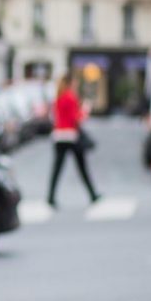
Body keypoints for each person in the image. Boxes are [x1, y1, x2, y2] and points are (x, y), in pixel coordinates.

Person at [47, 71, 101, 207]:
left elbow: (55, 117)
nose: (76, 84)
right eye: (75, 82)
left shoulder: (58, 97)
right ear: (71, 83)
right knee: (82, 168)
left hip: (59, 136)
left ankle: (51, 196)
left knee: (57, 168)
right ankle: (92, 194)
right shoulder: (70, 97)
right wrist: (85, 110)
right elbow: (75, 118)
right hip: (71, 136)